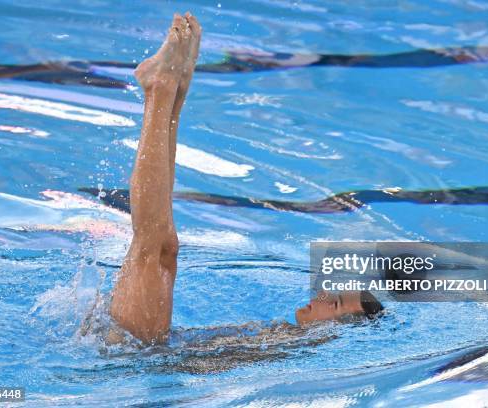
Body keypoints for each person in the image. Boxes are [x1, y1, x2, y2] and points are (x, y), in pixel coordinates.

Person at [109, 13, 382, 344]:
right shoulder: (292, 338)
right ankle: (172, 92)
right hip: (152, 351)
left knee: (155, 249)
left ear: (337, 329)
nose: (322, 295)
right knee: (163, 249)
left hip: (138, 357)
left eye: (335, 303)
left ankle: (164, 90)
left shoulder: (303, 344)